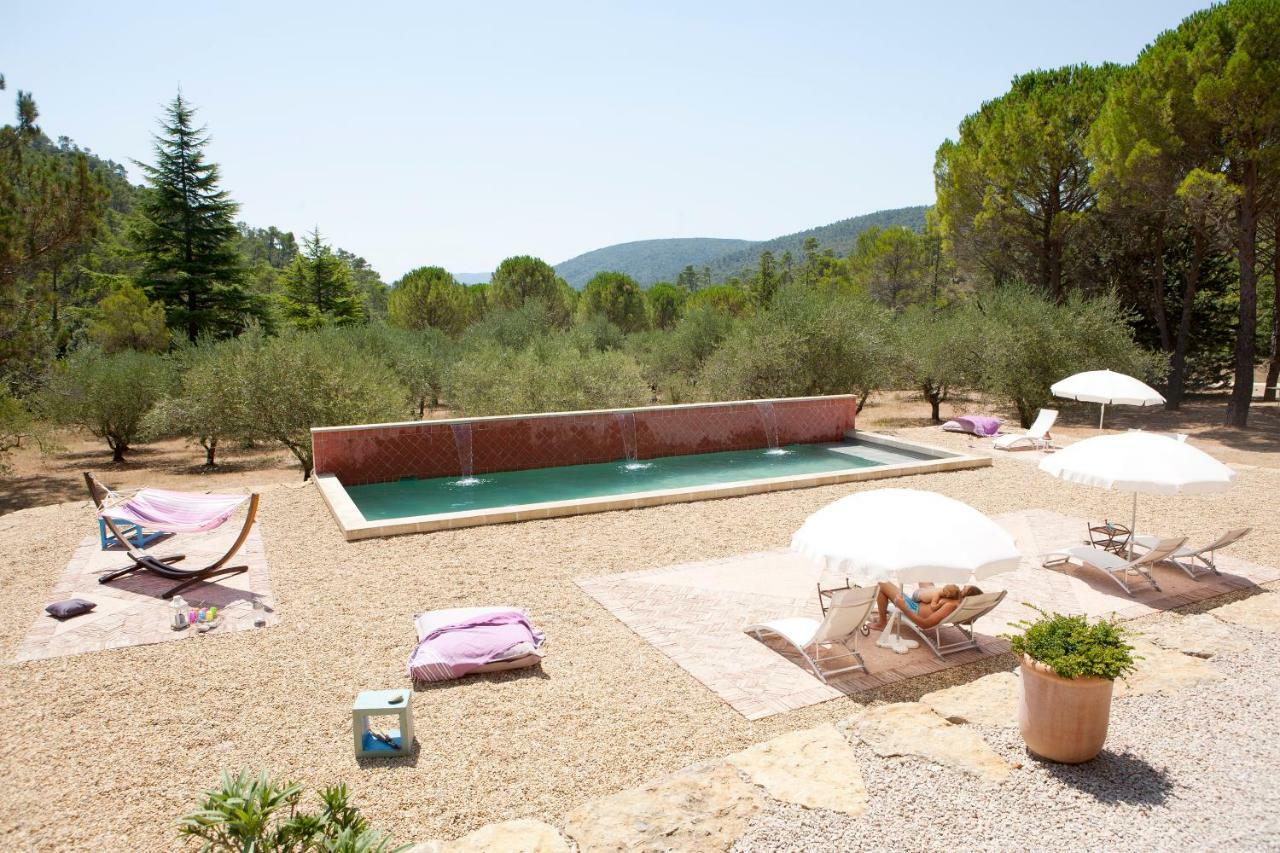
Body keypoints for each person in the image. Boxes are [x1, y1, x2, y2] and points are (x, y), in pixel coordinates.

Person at [868, 582, 982, 632]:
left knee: (882, 584)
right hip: (922, 601)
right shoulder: (957, 603)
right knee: (923, 573)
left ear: (967, 598)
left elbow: (925, 624)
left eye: (963, 591)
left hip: (913, 607)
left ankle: (882, 622)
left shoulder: (951, 605)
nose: (960, 591)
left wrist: (903, 607)